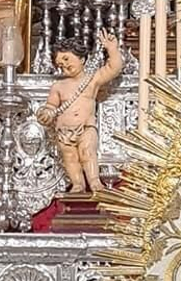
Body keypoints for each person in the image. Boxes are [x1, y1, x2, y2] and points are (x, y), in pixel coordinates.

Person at [41, 33, 123, 195]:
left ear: (82, 59)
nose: (64, 65)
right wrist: (46, 113)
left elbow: (113, 68)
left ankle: (94, 181)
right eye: (60, 64)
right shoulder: (58, 86)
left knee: (87, 151)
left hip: (86, 127)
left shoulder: (92, 80)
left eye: (67, 59)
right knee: (70, 157)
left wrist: (112, 49)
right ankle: (77, 183)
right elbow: (51, 105)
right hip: (63, 131)